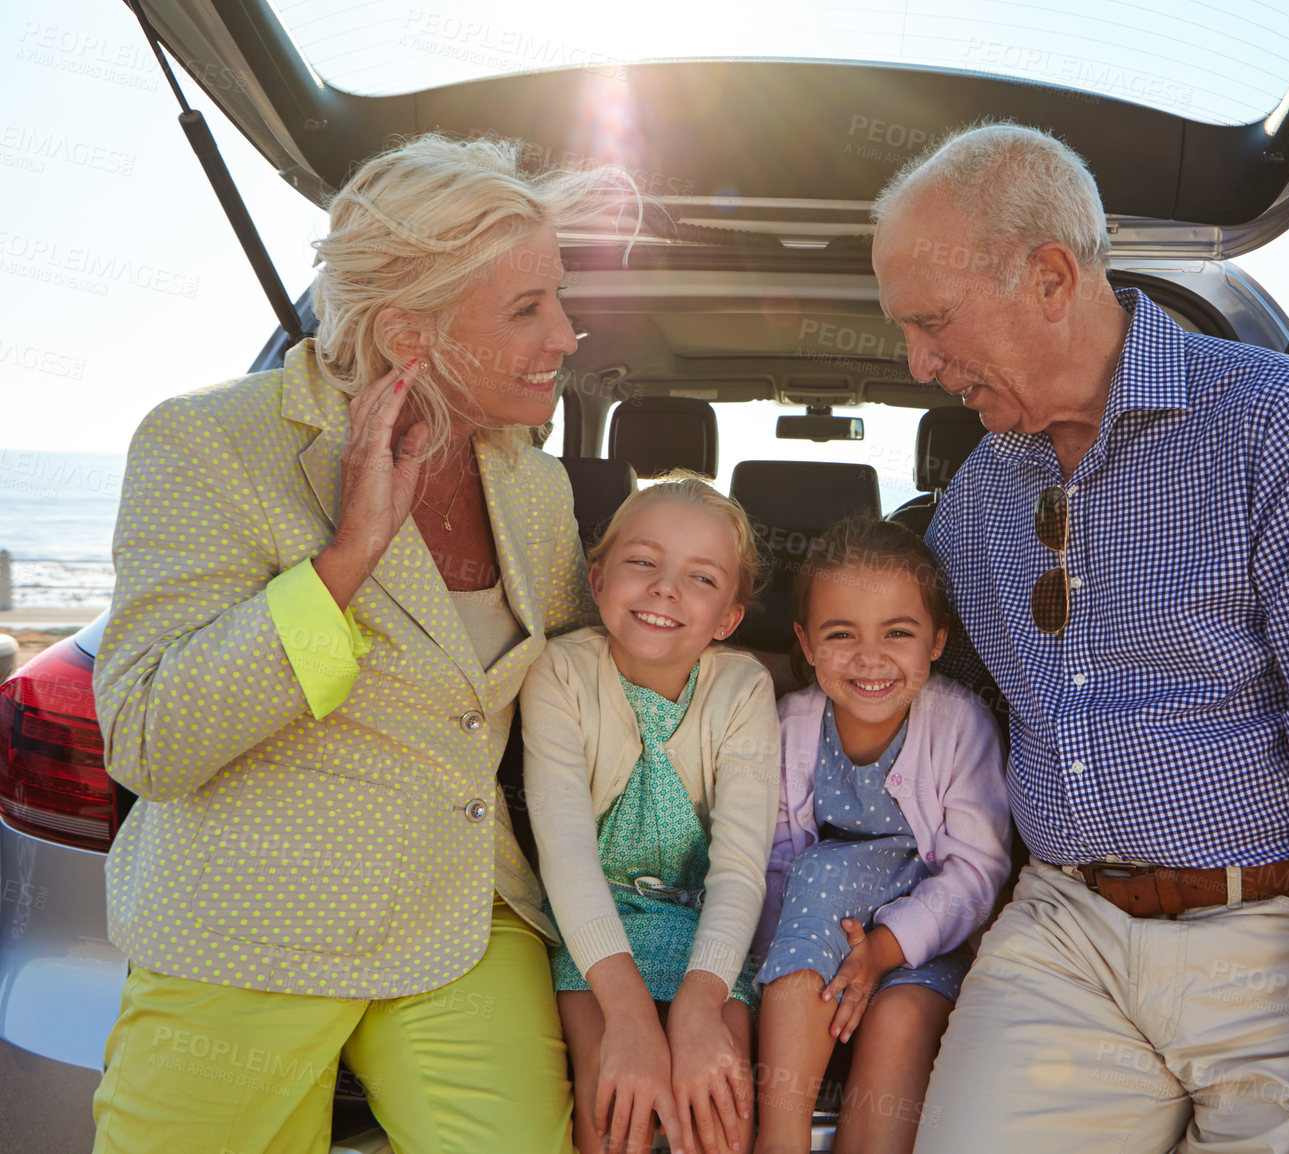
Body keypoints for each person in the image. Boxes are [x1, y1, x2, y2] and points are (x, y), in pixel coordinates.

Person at [872, 123, 1289, 1154]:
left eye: (933, 323)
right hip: (1068, 934)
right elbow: (898, 684)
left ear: (1051, 275)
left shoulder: (1278, 426)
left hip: (1286, 938)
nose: (919, 364)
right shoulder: (974, 497)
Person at [92, 134, 626, 1153]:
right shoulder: (207, 441)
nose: (567, 331)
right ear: (409, 334)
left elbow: (571, 701)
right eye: (526, 309)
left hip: (471, 924)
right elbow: (151, 737)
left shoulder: (536, 484)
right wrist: (345, 560)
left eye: (558, 296)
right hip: (249, 931)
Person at [519, 475, 780, 1154]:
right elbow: (568, 856)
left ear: (728, 618)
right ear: (598, 579)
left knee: (719, 1113)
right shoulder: (559, 675)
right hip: (594, 925)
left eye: (701, 578)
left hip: (706, 927)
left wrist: (700, 1005)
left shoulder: (745, 687)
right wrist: (631, 1015)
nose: (666, 588)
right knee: (614, 1114)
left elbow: (741, 867)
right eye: (643, 562)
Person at [752, 517, 1010, 1154]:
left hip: (924, 938)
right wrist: (775, 971)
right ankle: (779, 1136)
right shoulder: (791, 726)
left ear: (936, 642)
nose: (870, 659)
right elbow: (775, 864)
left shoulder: (957, 723)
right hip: (811, 927)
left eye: (898, 633)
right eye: (841, 634)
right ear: (806, 645)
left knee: (901, 1021)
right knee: (816, 875)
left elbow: (976, 873)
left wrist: (887, 949)